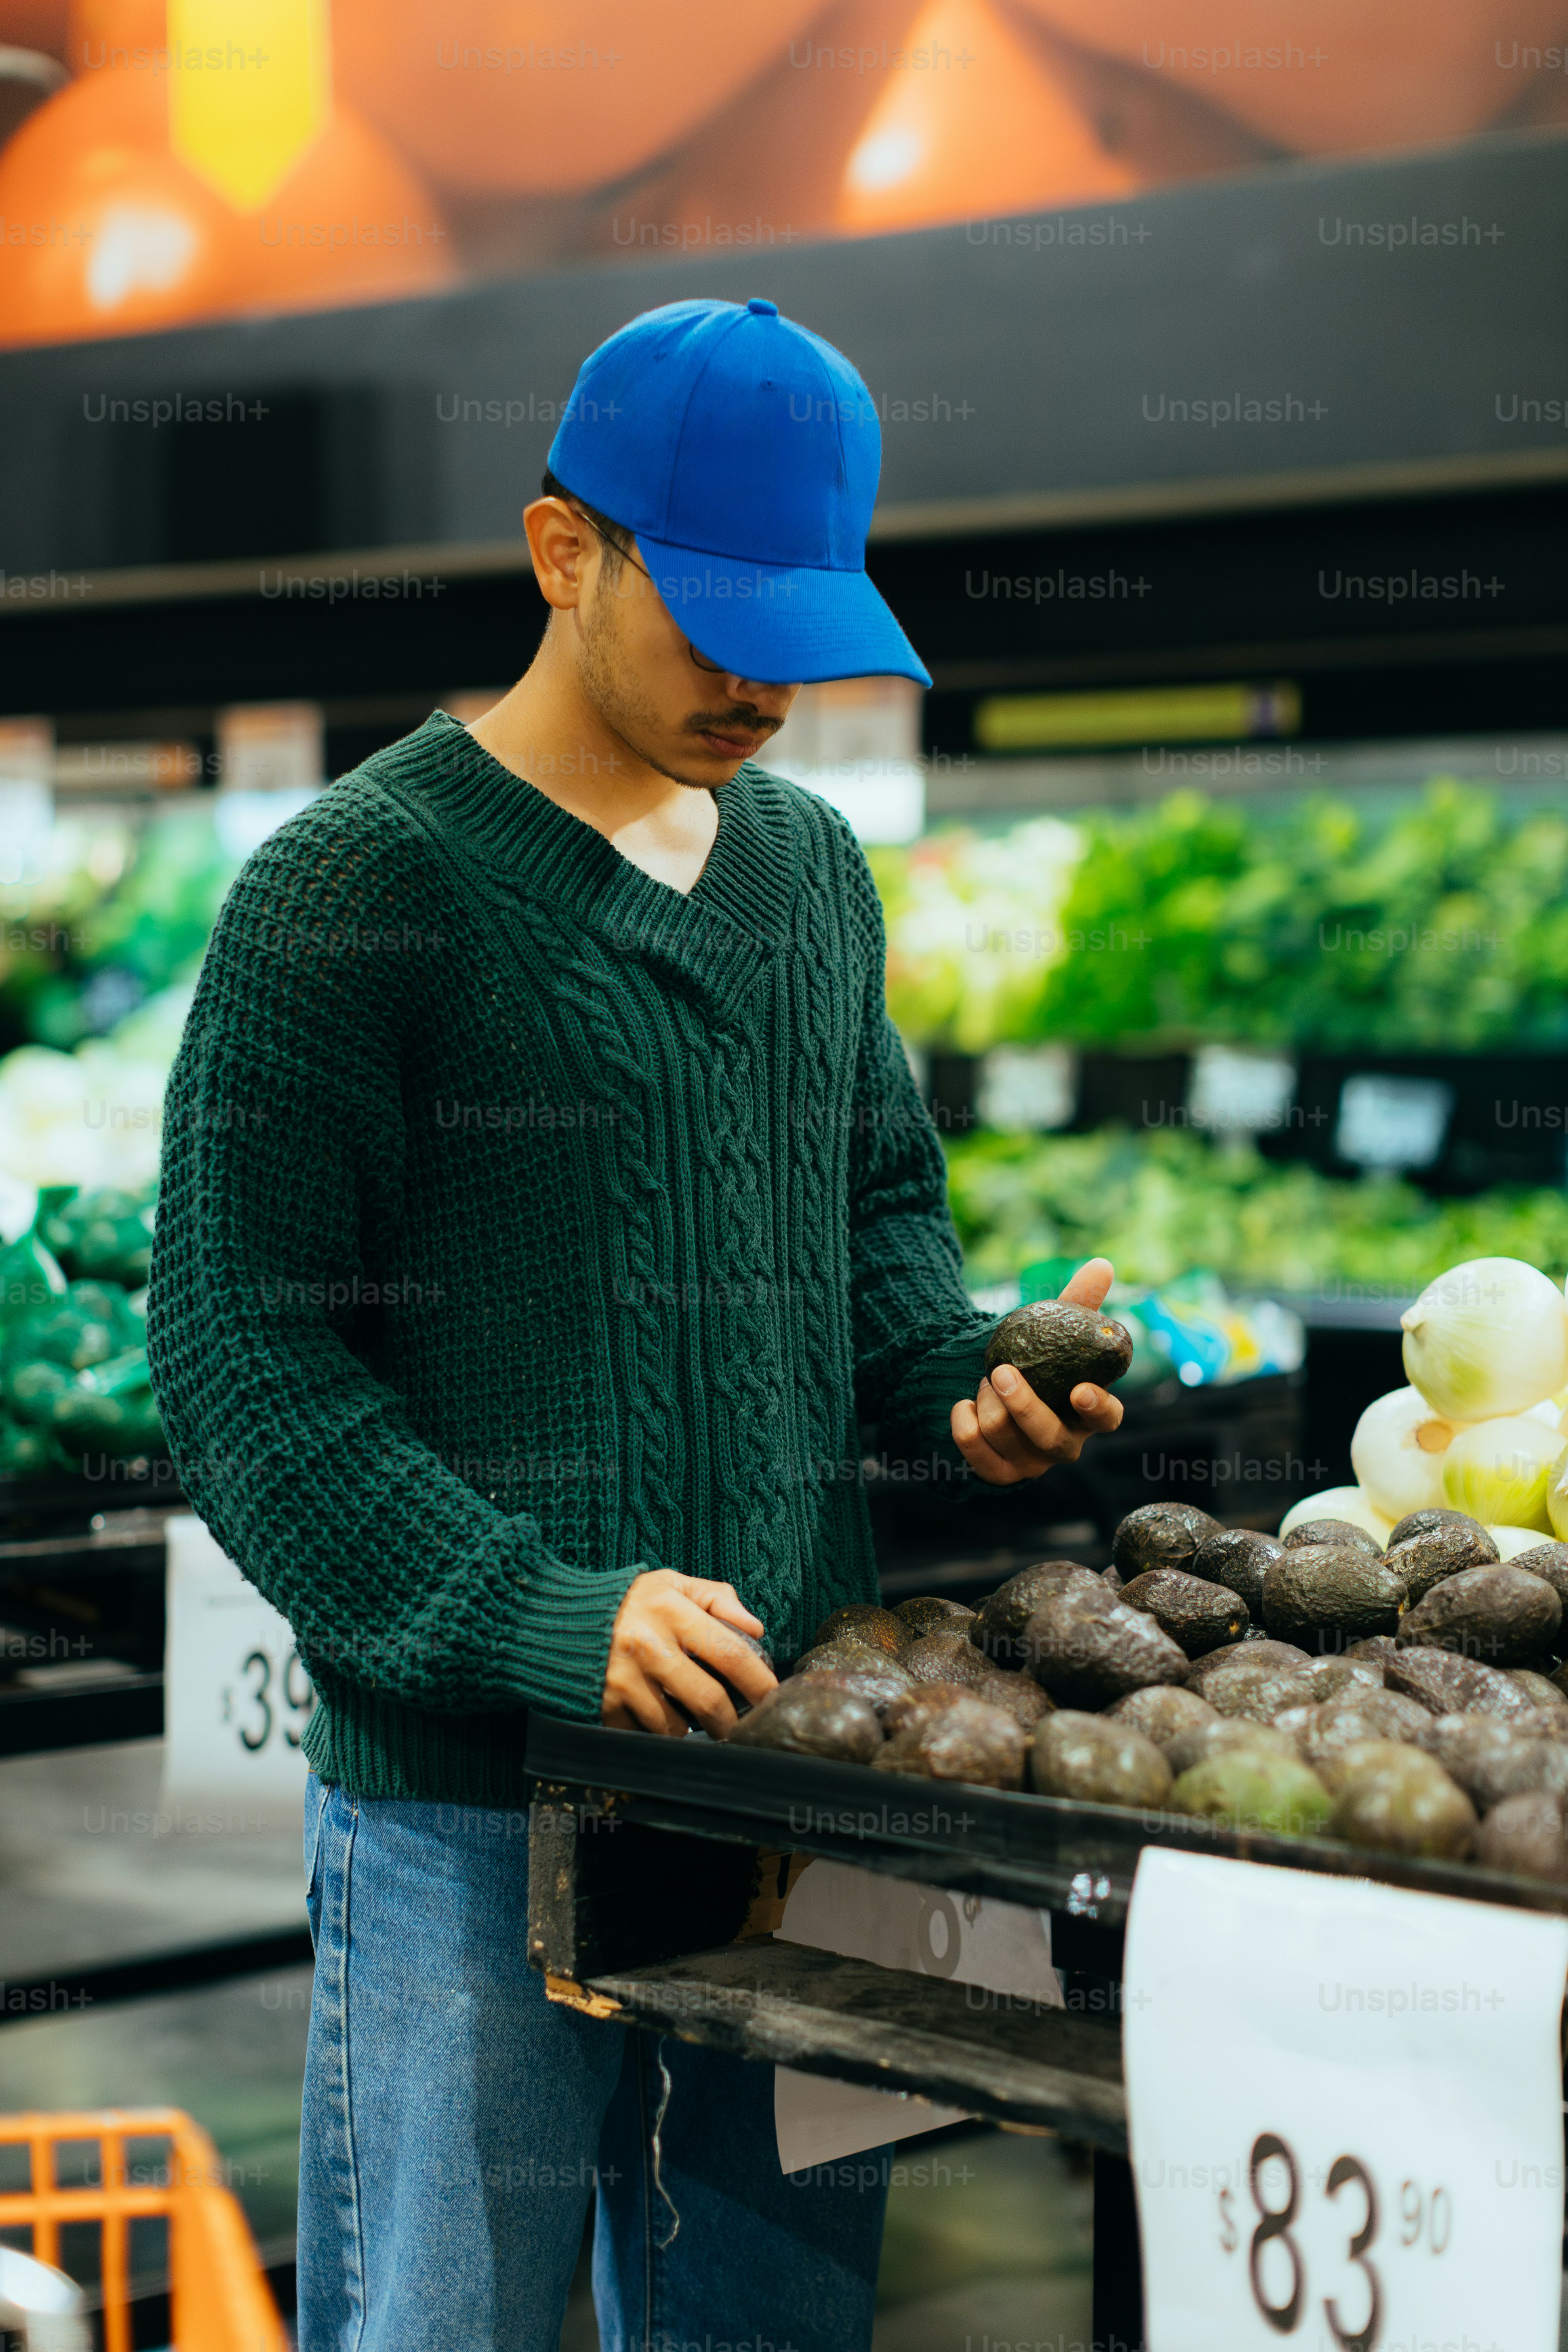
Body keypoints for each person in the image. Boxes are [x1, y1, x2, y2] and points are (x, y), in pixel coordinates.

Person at [146, 296, 1124, 2352]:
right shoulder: (352, 890)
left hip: (800, 1780)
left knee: (775, 2326)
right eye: (720, 624)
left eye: (806, 631)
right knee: (443, 2322)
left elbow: (868, 1222)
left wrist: (965, 1368)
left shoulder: (813, 877)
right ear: (561, 552)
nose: (766, 686)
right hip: (462, 1810)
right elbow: (245, 1364)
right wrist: (530, 1607)